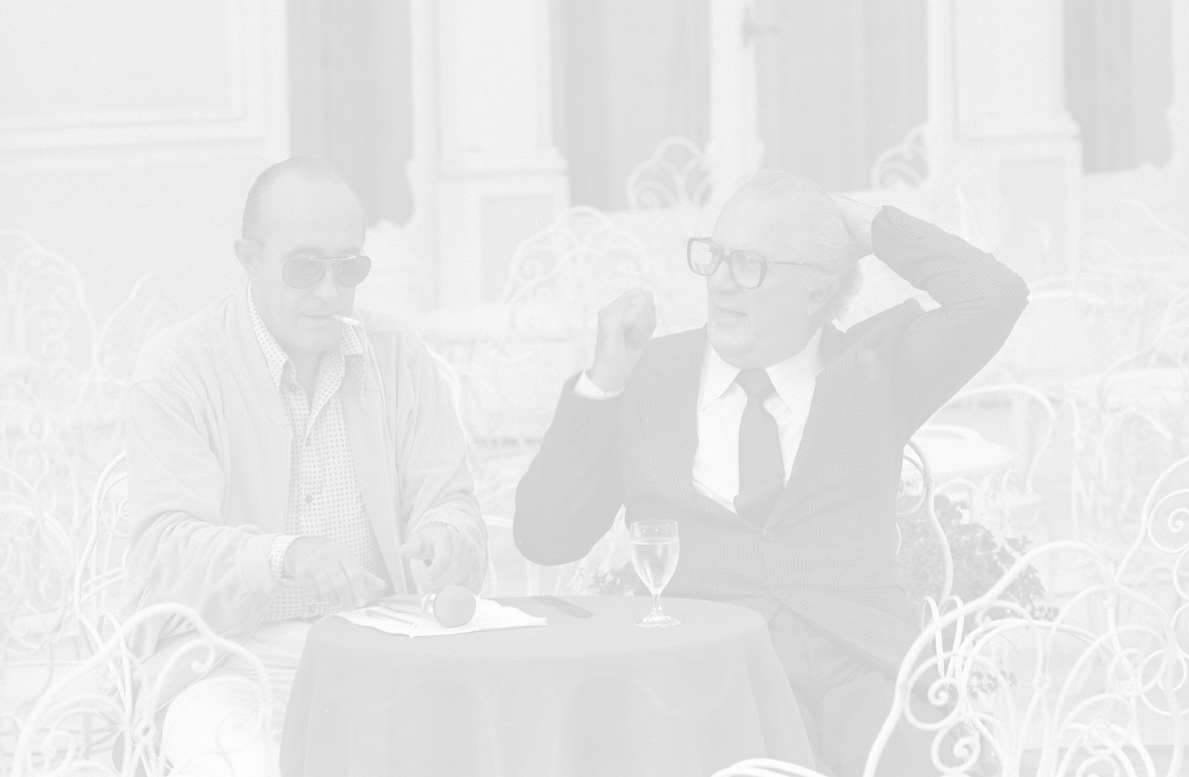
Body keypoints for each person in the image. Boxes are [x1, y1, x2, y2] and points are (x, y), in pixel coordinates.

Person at [513, 171, 1028, 776]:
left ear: (816, 290)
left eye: (750, 264)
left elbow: (994, 295)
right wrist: (602, 385)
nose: (720, 282)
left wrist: (864, 224)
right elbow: (546, 537)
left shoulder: (876, 366)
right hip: (718, 673)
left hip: (866, 666)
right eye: (715, 257)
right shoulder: (645, 375)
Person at [123, 157, 486, 771]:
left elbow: (451, 503)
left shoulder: (397, 353)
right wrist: (283, 555)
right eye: (304, 267)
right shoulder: (179, 368)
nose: (328, 291)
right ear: (249, 259)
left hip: (376, 651)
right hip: (221, 659)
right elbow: (165, 549)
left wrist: (446, 538)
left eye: (349, 268)